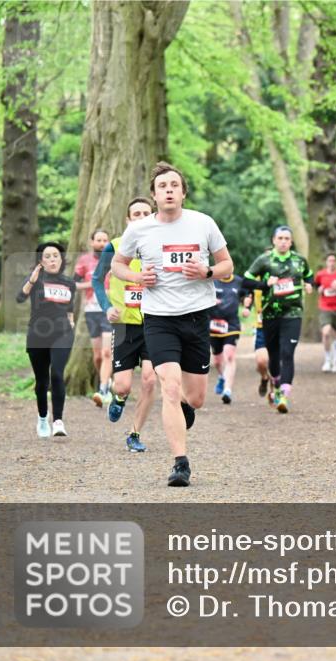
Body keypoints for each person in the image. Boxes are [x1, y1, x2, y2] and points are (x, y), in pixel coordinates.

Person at [112, 162, 233, 486]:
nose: (168, 190)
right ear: (154, 194)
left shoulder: (203, 223)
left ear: (182, 192)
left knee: (194, 398)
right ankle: (180, 464)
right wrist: (137, 276)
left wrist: (206, 272)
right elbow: (117, 265)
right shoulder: (139, 230)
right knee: (168, 386)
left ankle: (183, 407)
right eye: (162, 185)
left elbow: (227, 265)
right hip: (159, 319)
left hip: (196, 317)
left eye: (174, 185)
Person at [92, 197, 157, 453]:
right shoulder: (115, 247)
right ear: (128, 220)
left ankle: (134, 433)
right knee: (123, 385)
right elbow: (97, 280)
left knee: (150, 380)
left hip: (154, 323)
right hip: (123, 326)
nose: (141, 217)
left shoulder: (162, 247)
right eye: (136, 214)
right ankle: (119, 397)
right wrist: (107, 307)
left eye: (146, 213)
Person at [244, 226, 314, 413]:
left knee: (287, 353)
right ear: (274, 240)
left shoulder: (300, 260)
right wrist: (265, 285)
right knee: (273, 355)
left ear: (291, 242)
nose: (283, 241)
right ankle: (275, 384)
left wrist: (309, 284)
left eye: (287, 239)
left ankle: (283, 395)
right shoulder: (264, 260)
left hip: (293, 313)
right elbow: (246, 280)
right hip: (269, 314)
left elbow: (309, 275)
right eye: (280, 238)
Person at [16, 242, 76, 438]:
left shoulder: (69, 283)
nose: (52, 259)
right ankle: (43, 418)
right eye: (47, 256)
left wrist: (71, 321)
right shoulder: (35, 280)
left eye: (55, 255)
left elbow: (69, 307)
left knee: (57, 374)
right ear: (41, 261)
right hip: (38, 335)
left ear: (61, 259)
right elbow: (19, 298)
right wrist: (32, 280)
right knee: (42, 381)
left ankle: (58, 421)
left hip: (62, 333)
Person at [74, 229, 114, 407]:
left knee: (107, 353)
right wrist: (92, 283)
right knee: (97, 356)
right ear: (92, 242)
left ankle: (104, 389)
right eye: (98, 240)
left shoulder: (115, 259)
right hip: (91, 311)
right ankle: (104, 381)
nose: (102, 243)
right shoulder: (84, 261)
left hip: (109, 310)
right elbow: (73, 284)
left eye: (105, 240)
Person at [208, 274, 250, 404]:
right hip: (213, 325)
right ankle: (221, 376)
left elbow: (248, 295)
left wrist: (247, 307)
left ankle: (227, 390)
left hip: (232, 325)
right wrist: (210, 301)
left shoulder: (239, 282)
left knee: (230, 356)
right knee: (217, 361)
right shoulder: (211, 281)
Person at [241, 286, 270, 398]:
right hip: (261, 327)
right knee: (261, 362)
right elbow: (250, 294)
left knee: (276, 363)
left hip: (279, 325)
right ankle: (264, 377)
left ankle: (275, 393)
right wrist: (247, 307)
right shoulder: (256, 277)